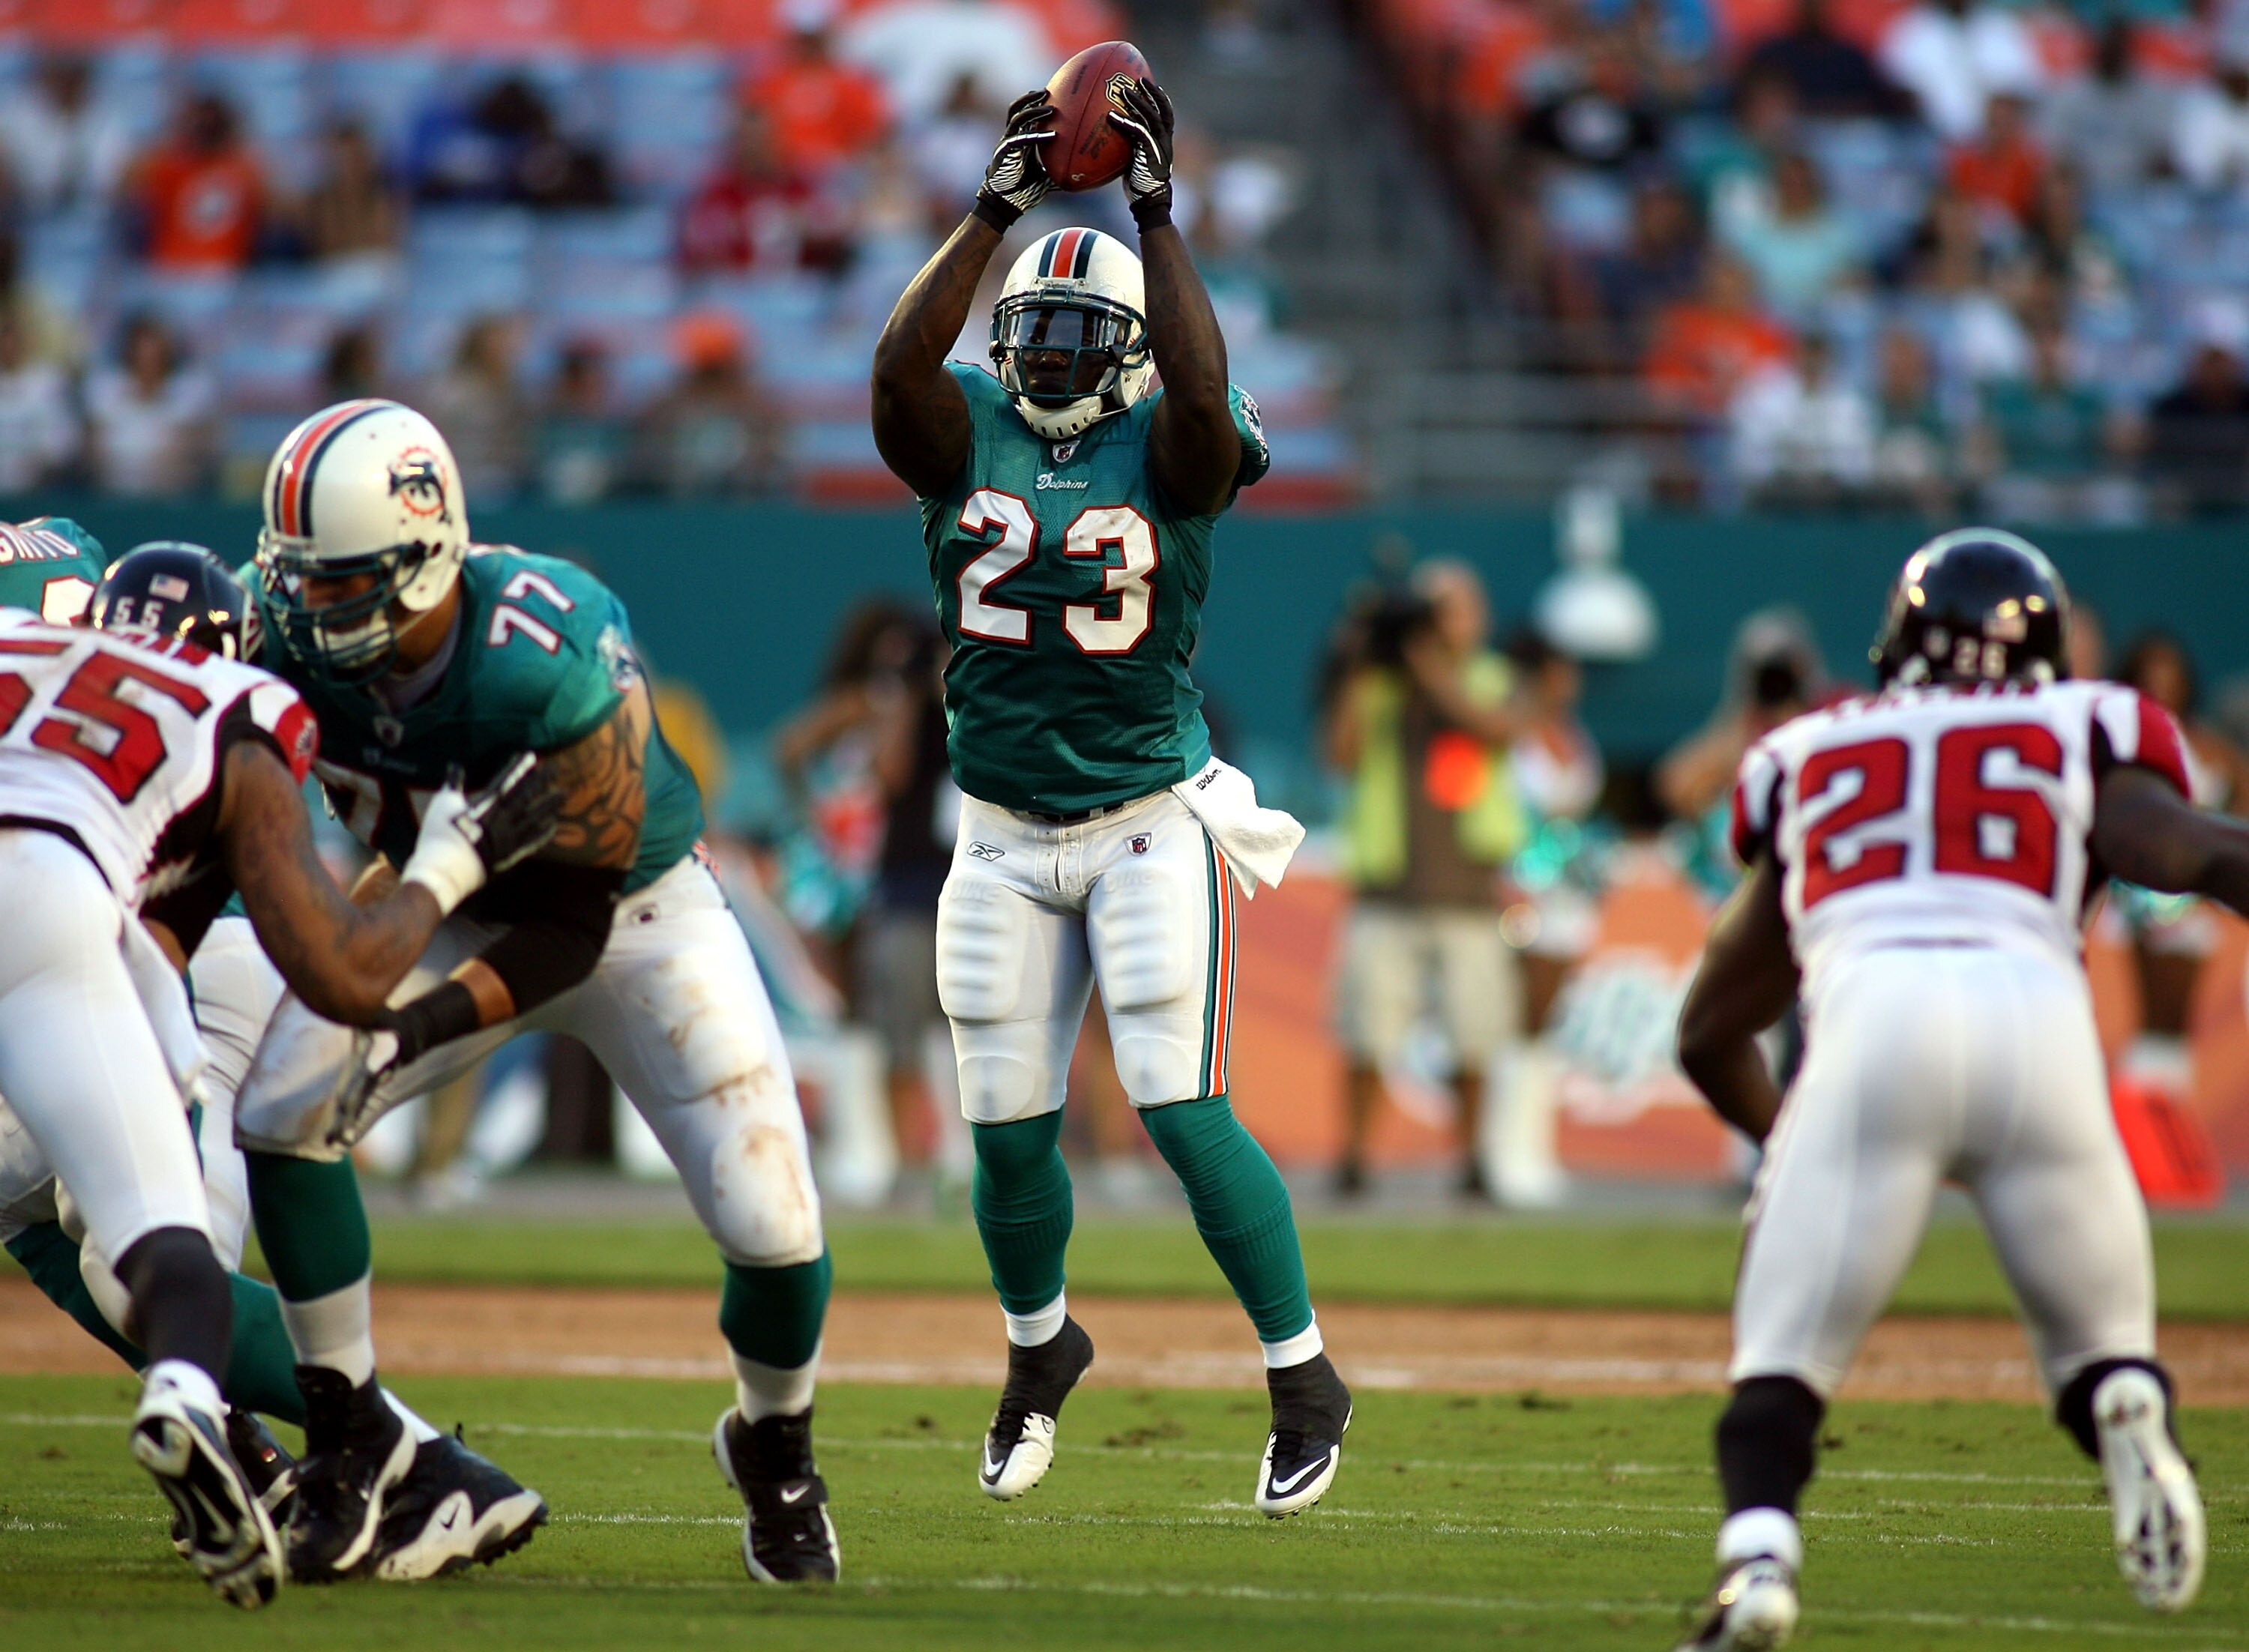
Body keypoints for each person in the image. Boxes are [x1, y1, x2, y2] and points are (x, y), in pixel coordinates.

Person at [235, 398, 840, 1586]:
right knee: (280, 1110)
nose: (310, 609)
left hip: (634, 914)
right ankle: (356, 1440)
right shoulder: (279, 634)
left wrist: (408, 1033)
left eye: (343, 582)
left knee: (775, 1223)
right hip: (427, 894)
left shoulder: (549, 649)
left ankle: (774, 1450)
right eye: (301, 579)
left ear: (426, 561)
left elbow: (571, 927)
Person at [870, 79, 1352, 1516]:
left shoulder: (1180, 432)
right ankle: (1038, 1351)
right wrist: (993, 210)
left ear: (1132, 347)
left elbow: (1205, 401)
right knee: (1007, 1122)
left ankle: (1303, 1373)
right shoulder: (960, 421)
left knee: (1176, 1100)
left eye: (1086, 334)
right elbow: (895, 372)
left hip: (1148, 815)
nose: (1053, 354)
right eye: (1035, 331)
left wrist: (1153, 210)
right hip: (1002, 829)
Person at [1672, 530, 2209, 1648]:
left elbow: (1711, 1027)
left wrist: (1789, 1141)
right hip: (2041, 1024)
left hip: (1875, 1022)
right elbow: (2191, 856)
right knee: (2099, 1347)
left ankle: (1759, 1561)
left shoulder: (1809, 750)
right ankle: (2130, 1405)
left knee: (1782, 1363)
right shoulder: (2089, 724)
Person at [0, 535, 558, 1606]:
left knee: (106, 1243)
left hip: (176, 955)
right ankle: (247, 1443)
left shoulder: (33, 645)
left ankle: (408, 1467)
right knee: (91, 1229)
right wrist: (450, 863)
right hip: (104, 935)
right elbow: (325, 962)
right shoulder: (229, 704)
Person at [1325, 561, 1528, 1199]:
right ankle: (1354, 1158)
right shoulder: (1382, 686)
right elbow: (1342, 753)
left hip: (1469, 892)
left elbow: (1494, 729)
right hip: (1387, 888)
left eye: (1450, 610)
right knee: (1366, 1033)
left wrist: (1423, 663)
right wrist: (1363, 662)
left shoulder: (1492, 678)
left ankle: (1472, 1160)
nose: (1437, 625)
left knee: (1476, 1037)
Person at [85, 313, 217, 496]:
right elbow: (92, 445)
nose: (148, 357)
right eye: (142, 349)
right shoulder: (105, 386)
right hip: (111, 490)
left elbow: (197, 447)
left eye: (155, 350)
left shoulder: (193, 388)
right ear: (130, 350)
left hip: (175, 492)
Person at [133, 93, 265, 273]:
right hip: (172, 268)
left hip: (223, 273)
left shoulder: (243, 171)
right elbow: (128, 183)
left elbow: (279, 209)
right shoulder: (174, 168)